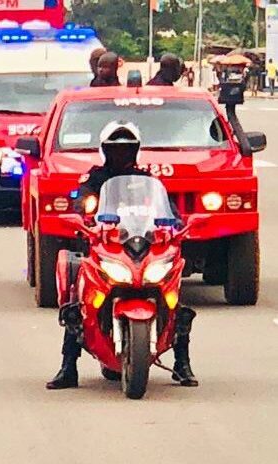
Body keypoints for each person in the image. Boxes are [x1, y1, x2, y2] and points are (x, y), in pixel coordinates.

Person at [47, 122, 197, 390]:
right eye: (116, 150)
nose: (121, 155)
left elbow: (169, 210)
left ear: (135, 152)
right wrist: (84, 212)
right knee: (77, 301)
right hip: (107, 244)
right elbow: (80, 202)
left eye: (127, 150)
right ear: (106, 151)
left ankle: (182, 364)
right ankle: (68, 367)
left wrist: (174, 223)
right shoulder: (95, 179)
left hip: (142, 245)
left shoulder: (148, 180)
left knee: (175, 298)